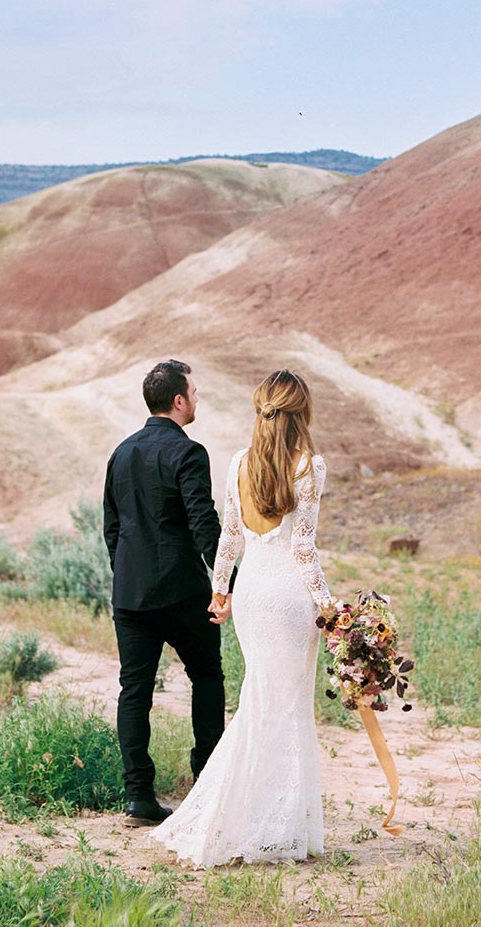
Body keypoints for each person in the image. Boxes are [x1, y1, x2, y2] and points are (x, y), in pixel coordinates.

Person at [150, 369, 332, 867]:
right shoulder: (309, 467)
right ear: (301, 412)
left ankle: (256, 819)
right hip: (289, 599)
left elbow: (230, 537)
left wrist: (220, 591)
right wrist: (330, 607)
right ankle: (270, 825)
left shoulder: (237, 464)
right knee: (287, 708)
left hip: (252, 595)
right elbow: (303, 548)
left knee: (260, 703)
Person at [103, 359, 226, 826]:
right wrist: (224, 585)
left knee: (134, 690)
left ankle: (138, 796)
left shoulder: (121, 453)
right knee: (207, 677)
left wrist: (127, 573)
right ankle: (206, 783)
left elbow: (111, 527)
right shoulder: (189, 453)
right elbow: (203, 525)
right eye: (193, 392)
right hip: (181, 591)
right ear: (178, 400)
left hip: (130, 594)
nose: (197, 399)